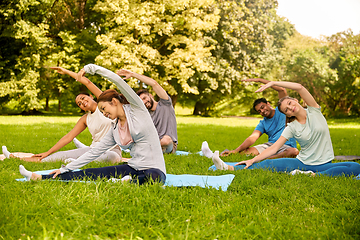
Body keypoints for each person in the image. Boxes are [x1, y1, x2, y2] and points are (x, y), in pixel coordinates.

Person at [19, 64, 166, 185]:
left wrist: (91, 68)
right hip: (134, 167)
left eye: (104, 109)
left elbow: (118, 81)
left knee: (155, 178)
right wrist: (66, 169)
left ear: (114, 102)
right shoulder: (115, 127)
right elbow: (94, 152)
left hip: (154, 168)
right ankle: (39, 177)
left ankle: (124, 182)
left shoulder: (137, 109)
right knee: (96, 173)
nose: (103, 113)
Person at [211, 81, 360, 177]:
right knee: (266, 164)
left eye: (289, 103)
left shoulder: (314, 110)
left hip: (325, 162)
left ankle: (312, 175)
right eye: (286, 110)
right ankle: (228, 168)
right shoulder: (292, 127)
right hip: (303, 163)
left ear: (295, 100)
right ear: (286, 114)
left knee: (354, 167)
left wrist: (273, 83)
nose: (290, 108)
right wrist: (254, 159)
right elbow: (274, 148)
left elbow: (300, 87)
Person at [2, 67, 125, 163]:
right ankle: (14, 158)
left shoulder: (104, 104)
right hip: (93, 150)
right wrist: (48, 152)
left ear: (91, 96)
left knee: (109, 157)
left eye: (83, 98)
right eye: (79, 104)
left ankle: (76, 161)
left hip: (111, 151)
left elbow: (86, 82)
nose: (82, 102)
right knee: (57, 156)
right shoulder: (85, 119)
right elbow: (68, 137)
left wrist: (66, 72)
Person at [201, 78, 299, 159]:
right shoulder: (263, 123)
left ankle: (265, 158)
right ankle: (214, 156)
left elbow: (282, 90)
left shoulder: (282, 111)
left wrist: (260, 80)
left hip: (286, 146)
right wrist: (236, 150)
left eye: (262, 107)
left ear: (268, 104)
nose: (262, 111)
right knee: (245, 152)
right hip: (270, 145)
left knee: (293, 151)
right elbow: (252, 138)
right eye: (259, 111)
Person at [116, 69, 178, 154]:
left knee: (165, 140)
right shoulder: (145, 115)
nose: (145, 102)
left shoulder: (165, 104)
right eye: (142, 101)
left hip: (168, 145)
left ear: (151, 96)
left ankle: (149, 151)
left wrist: (133, 74)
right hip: (152, 144)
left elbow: (154, 84)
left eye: (145, 98)